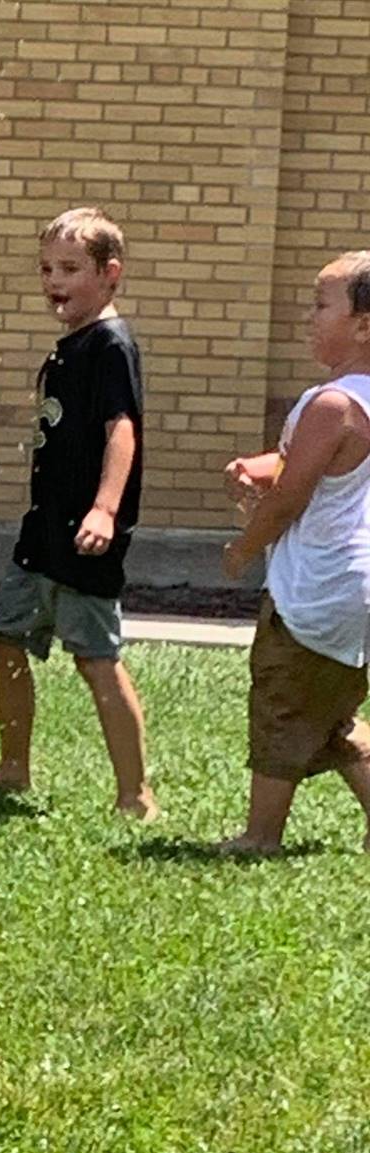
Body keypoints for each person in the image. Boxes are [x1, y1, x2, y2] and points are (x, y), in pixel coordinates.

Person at [0, 208, 158, 819]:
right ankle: (12, 769)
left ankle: (137, 795)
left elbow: (122, 429)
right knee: (3, 641)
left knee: (96, 658)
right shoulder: (71, 347)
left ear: (111, 274)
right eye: (47, 268)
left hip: (87, 534)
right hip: (45, 530)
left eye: (70, 269)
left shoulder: (110, 344)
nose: (54, 281)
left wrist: (105, 510)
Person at [221, 251, 370, 853]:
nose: (308, 318)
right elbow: (321, 467)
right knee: (330, 718)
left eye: (319, 305)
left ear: (364, 325)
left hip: (319, 587)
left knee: (282, 703)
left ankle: (261, 837)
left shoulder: (330, 404)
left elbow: (288, 499)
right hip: (357, 590)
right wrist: (260, 466)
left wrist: (243, 550)